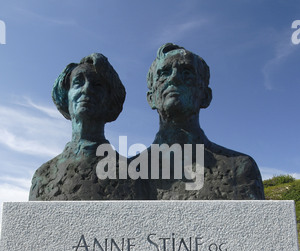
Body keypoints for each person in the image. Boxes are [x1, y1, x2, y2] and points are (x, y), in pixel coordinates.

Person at [145, 43, 265, 200]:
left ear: (206, 97)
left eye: (187, 72)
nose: (174, 77)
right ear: (151, 99)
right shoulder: (131, 173)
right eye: (164, 73)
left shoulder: (240, 169)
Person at [29, 53, 146, 200]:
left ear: (110, 102)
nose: (87, 89)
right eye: (78, 82)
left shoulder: (131, 175)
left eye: (97, 85)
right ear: (66, 97)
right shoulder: (43, 176)